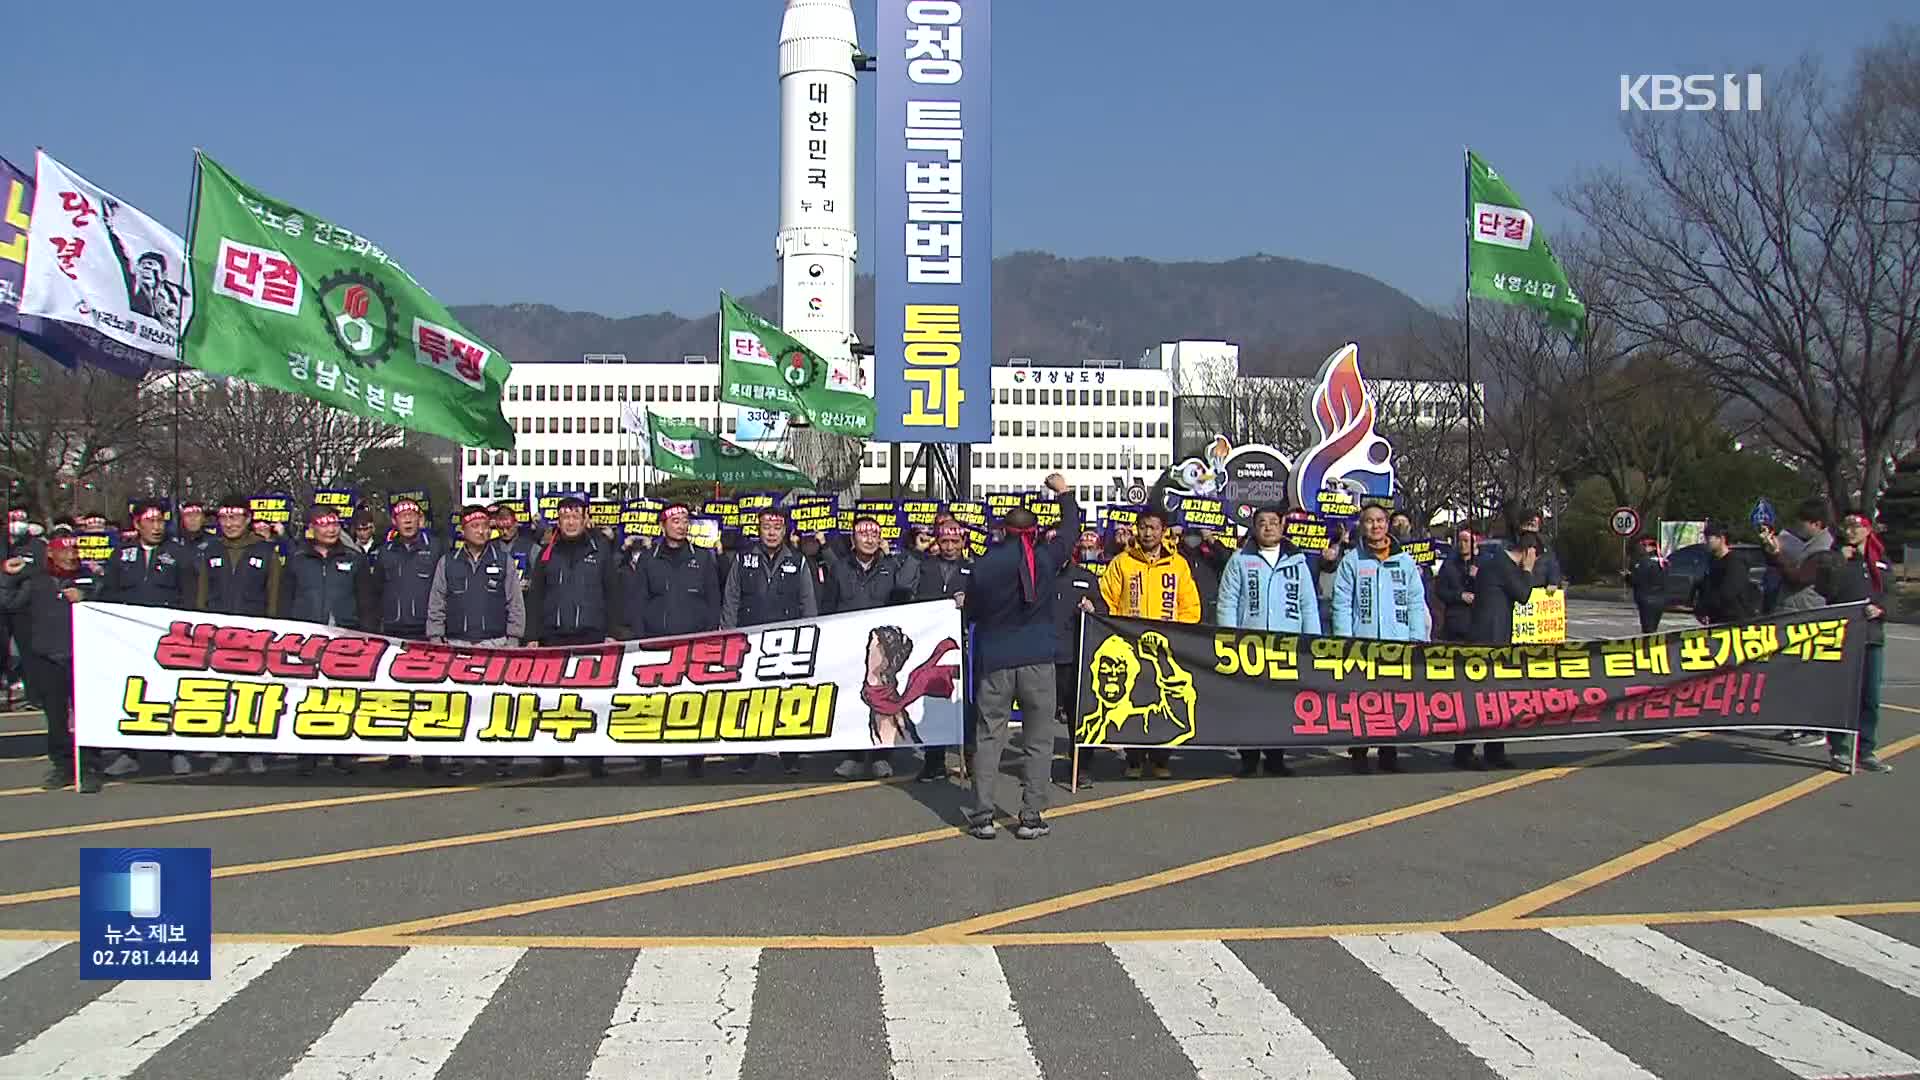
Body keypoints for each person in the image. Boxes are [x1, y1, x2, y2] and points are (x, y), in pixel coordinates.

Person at [962, 473, 1081, 839]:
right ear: (1034, 532)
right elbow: (1072, 530)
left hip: (997, 659)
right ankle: (1031, 816)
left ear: (1002, 531)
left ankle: (983, 815)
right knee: (1039, 739)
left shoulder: (984, 565)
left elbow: (974, 612)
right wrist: (1063, 494)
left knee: (988, 737)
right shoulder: (1045, 559)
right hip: (1038, 660)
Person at [1766, 509, 1891, 773]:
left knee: (1869, 698)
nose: (1851, 531)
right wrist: (1837, 563)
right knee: (1839, 696)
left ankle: (1866, 750)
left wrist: (1880, 609)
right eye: (1846, 526)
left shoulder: (1878, 560)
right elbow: (1822, 588)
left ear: (1868, 530)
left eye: (1857, 526)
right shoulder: (1831, 558)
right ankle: (1840, 750)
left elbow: (1889, 592)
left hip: (1871, 636)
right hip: (1840, 635)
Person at [1216, 506, 1322, 777]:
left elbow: (1308, 604)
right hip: (1249, 645)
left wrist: (1311, 642)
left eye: (1273, 522)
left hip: (1286, 644)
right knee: (1249, 702)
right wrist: (1229, 638)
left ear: (1282, 526)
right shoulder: (1239, 560)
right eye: (1262, 523)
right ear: (1254, 527)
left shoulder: (1297, 561)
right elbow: (1227, 602)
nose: (1268, 528)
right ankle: (1248, 758)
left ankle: (1276, 757)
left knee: (1280, 702)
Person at [526, 495, 624, 779]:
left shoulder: (601, 550)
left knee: (592, 699)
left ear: (585, 519)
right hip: (553, 636)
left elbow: (613, 594)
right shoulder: (546, 552)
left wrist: (612, 633)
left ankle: (595, 758)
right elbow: (535, 596)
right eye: (565, 517)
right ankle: (552, 757)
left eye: (575, 516)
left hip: (591, 635)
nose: (570, 522)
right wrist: (532, 636)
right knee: (552, 700)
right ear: (559, 520)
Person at [1099, 507, 1200, 779]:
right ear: (1136, 528)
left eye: (1153, 527)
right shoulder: (1122, 562)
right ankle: (1133, 759)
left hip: (1166, 647)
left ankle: (1160, 759)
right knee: (1135, 699)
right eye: (1143, 527)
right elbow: (1107, 600)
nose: (1147, 533)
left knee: (1164, 699)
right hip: (1130, 645)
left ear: (1163, 531)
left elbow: (1189, 605)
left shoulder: (1178, 564)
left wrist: (1180, 636)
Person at [427, 505, 526, 779]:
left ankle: (500, 758)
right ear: (463, 530)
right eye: (475, 526)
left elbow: (514, 603)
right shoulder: (448, 562)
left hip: (495, 643)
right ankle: (459, 757)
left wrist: (514, 638)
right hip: (458, 643)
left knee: (496, 702)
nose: (482, 531)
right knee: (459, 703)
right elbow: (437, 603)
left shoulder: (503, 560)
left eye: (485, 525)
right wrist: (436, 637)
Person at [1331, 504, 1430, 773]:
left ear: (1388, 525)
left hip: (1397, 642)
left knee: (1392, 699)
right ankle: (1359, 753)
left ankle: (1390, 752)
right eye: (1369, 521)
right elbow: (1341, 604)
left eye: (1380, 521)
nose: (1375, 526)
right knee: (1362, 700)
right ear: (1361, 526)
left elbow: (1415, 603)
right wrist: (1344, 640)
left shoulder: (1405, 561)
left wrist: (1416, 638)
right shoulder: (1352, 561)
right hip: (1362, 644)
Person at [2, 535, 105, 792]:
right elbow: (9, 602)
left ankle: (89, 765)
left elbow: (108, 601)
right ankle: (62, 765)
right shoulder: (36, 581)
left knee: (86, 715)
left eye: (74, 551)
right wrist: (7, 576)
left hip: (82, 657)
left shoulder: (88, 577)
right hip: (47, 657)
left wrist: (86, 597)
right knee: (56, 716)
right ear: (51, 554)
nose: (71, 557)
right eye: (64, 552)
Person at [100, 499, 195, 778]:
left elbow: (189, 596)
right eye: (150, 521)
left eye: (160, 521)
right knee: (133, 692)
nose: (156, 527)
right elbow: (108, 593)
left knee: (170, 691)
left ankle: (177, 751)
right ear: (137, 523)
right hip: (129, 639)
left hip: (168, 638)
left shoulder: (178, 554)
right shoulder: (121, 555)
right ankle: (129, 753)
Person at [279, 504, 375, 776]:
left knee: (341, 696)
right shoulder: (297, 560)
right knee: (306, 695)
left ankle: (343, 752)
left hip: (345, 636)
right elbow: (286, 598)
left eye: (335, 524)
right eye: (324, 524)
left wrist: (366, 634)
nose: (331, 529)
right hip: (306, 637)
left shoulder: (354, 560)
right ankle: (307, 752)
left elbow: (366, 601)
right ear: (312, 528)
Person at [721, 507, 817, 776]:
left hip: (787, 642)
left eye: (777, 528)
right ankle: (746, 755)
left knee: (787, 698)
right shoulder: (743, 559)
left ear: (785, 530)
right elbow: (732, 599)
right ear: (758, 529)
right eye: (766, 527)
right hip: (749, 640)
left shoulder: (798, 561)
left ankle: (790, 755)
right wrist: (729, 633)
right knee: (749, 698)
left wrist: (809, 635)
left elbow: (807, 603)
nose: (772, 532)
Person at [819, 515, 914, 778]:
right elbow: (828, 605)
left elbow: (904, 598)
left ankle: (882, 756)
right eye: (863, 533)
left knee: (882, 697)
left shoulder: (892, 567)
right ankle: (852, 755)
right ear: (853, 539)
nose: (869, 539)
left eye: (874, 534)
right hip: (848, 645)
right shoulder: (839, 568)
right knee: (850, 698)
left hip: (880, 650)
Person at [198, 495, 285, 776]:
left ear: (248, 519)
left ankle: (255, 749)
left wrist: (271, 629)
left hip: (255, 635)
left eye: (235, 518)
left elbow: (273, 593)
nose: (230, 524)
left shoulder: (264, 551)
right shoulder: (210, 551)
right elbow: (201, 596)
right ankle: (226, 749)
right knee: (223, 693)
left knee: (254, 693)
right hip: (218, 636)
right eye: (224, 519)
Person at [637, 503, 722, 778]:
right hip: (656, 642)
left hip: (694, 642)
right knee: (655, 703)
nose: (681, 525)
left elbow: (713, 600)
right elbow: (638, 600)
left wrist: (709, 634)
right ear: (663, 525)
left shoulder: (704, 558)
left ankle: (694, 758)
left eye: (685, 520)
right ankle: (652, 759)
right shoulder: (649, 559)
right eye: (675, 520)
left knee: (692, 702)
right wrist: (641, 638)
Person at [1458, 532, 1541, 770]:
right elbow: (1524, 595)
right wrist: (1527, 570)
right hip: (1488, 638)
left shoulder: (1495, 564)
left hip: (1496, 636)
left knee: (1497, 698)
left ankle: (1494, 750)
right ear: (1528, 551)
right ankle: (1465, 750)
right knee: (1481, 697)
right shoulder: (1502, 566)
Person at [370, 499, 441, 772]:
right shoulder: (385, 551)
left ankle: (431, 754)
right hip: (393, 633)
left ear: (420, 519)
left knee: (428, 695)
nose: (408, 521)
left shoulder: (435, 548)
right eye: (402, 517)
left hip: (426, 633)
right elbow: (375, 592)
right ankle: (398, 752)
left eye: (412, 515)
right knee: (395, 695)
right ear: (394, 522)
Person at [912, 521, 973, 782]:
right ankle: (933, 760)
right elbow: (904, 584)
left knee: (967, 703)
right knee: (935, 703)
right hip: (932, 648)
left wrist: (971, 601)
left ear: (963, 543)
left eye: (954, 542)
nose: (949, 547)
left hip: (964, 644)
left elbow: (989, 600)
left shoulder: (973, 569)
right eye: (945, 542)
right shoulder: (926, 566)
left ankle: (971, 760)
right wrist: (919, 551)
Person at [1053, 528, 1106, 790]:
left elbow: (1104, 611)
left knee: (1079, 715)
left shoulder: (1086, 578)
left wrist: (1093, 609)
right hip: (1045, 656)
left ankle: (1081, 765)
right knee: (1038, 715)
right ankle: (1037, 768)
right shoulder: (1036, 577)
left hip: (1075, 657)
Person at [1693, 521, 1761, 626]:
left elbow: (1728, 592)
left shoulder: (1735, 562)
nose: (1706, 542)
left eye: (1709, 538)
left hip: (1735, 620)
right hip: (1716, 619)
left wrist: (1709, 605)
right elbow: (1706, 587)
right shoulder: (1712, 561)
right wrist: (1701, 609)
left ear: (1722, 539)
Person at [1433, 528, 1479, 643]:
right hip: (1455, 623)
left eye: (1466, 541)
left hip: (1478, 621)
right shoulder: (1449, 564)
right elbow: (1440, 590)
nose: (1462, 544)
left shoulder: (1483, 563)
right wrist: (1460, 596)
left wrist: (1478, 577)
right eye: (1460, 541)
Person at [1625, 536, 1667, 634]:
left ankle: (1647, 647)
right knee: (1653, 628)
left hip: (1646, 600)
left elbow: (1637, 580)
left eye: (1644, 546)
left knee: (1647, 630)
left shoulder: (1644, 563)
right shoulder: (1663, 562)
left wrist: (1627, 576)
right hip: (1660, 600)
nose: (1642, 548)